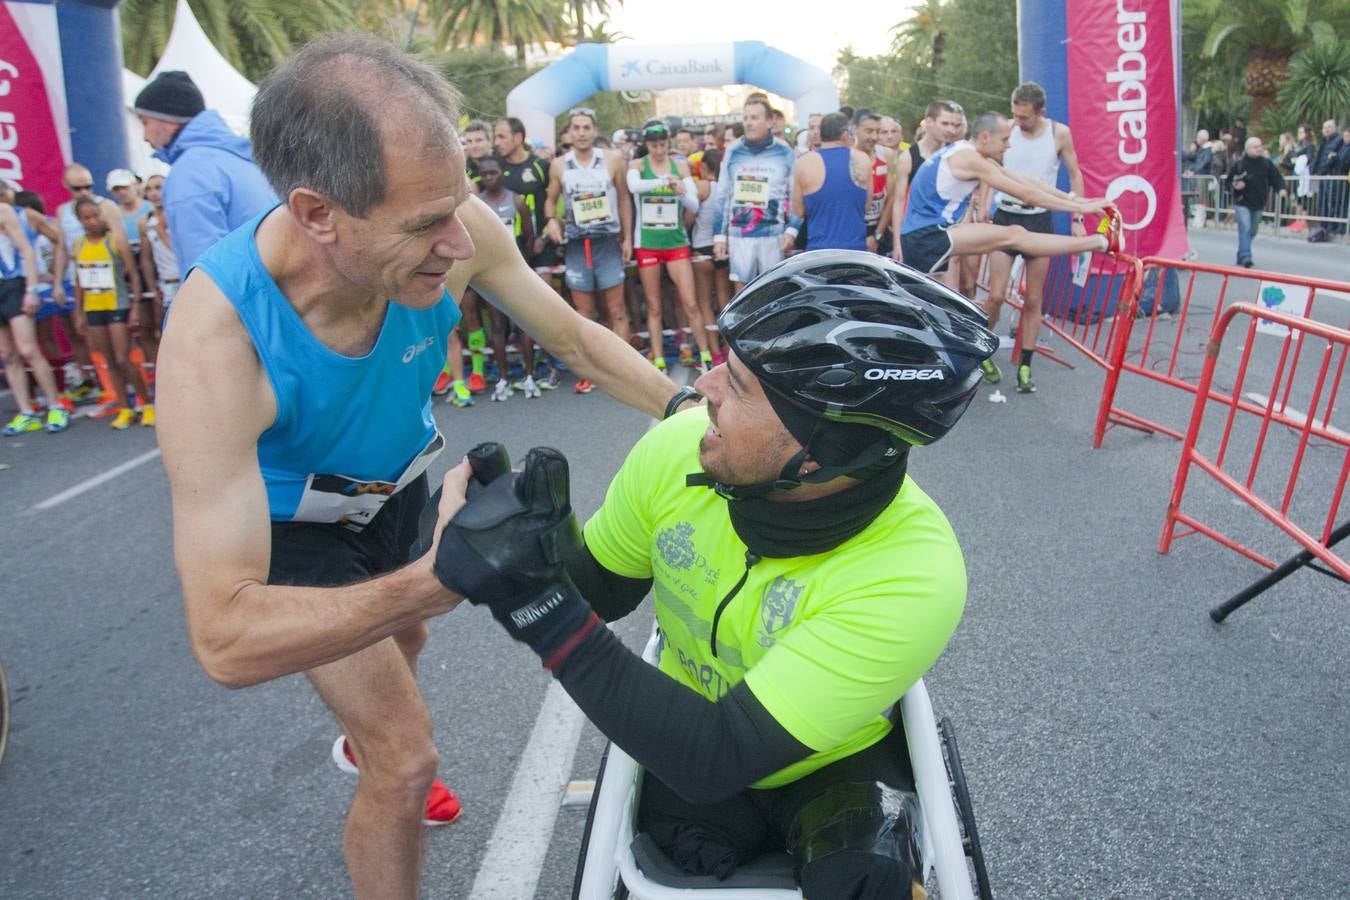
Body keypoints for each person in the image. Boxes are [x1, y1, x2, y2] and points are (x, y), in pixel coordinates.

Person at [154, 36, 685, 900]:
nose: (458, 244)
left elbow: (572, 336)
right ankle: (380, 754)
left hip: (397, 491)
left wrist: (688, 414)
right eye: (421, 226)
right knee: (405, 765)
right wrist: (437, 580)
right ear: (318, 213)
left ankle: (369, 725)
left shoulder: (453, 222)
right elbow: (224, 639)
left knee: (404, 641)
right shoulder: (220, 342)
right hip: (295, 533)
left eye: (460, 205)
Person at [428, 250, 1000, 899]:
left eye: (739, 385)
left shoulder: (913, 573)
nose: (702, 388)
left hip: (832, 768)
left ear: (822, 454)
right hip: (687, 741)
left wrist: (535, 603)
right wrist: (538, 548)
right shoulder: (679, 446)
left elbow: (715, 754)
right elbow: (605, 594)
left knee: (870, 879)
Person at [900, 112, 1120, 295]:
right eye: (1005, 140)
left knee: (949, 311)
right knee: (1014, 235)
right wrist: (1081, 209)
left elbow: (1027, 181)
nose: (1009, 146)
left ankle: (1101, 242)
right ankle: (1101, 242)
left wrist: (1079, 200)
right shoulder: (970, 159)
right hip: (926, 237)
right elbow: (1027, 195)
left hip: (928, 233)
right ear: (985, 137)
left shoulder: (968, 152)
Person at [983, 82, 1090, 393]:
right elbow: (988, 165)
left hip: (1038, 220)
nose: (1019, 122)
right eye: (1015, 115)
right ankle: (981, 351)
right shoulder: (1006, 130)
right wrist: (983, 202)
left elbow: (1075, 173)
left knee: (1033, 299)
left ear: (1041, 112)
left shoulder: (1059, 133)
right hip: (1006, 218)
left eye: (1025, 117)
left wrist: (1078, 217)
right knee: (996, 295)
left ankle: (1026, 368)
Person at [134, 70, 277, 273]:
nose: (144, 136)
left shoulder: (191, 172)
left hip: (238, 298)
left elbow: (206, 272)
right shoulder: (237, 159)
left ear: (169, 119)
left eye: (145, 122)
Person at [545, 107, 635, 392]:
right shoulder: (559, 165)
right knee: (583, 313)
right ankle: (592, 371)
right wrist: (550, 221)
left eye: (586, 127)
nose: (581, 132)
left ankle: (624, 369)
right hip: (576, 245)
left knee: (616, 309)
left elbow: (623, 199)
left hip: (607, 242)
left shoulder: (612, 160)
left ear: (594, 131)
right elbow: (550, 200)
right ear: (569, 133)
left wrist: (628, 238)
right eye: (576, 128)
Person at [627, 120, 711, 372]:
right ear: (647, 144)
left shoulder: (681, 165)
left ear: (668, 142)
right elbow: (633, 187)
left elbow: (694, 206)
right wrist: (664, 180)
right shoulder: (638, 165)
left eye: (663, 143)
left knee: (691, 302)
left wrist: (681, 190)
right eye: (654, 144)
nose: (659, 148)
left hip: (675, 242)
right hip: (648, 243)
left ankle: (705, 355)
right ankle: (659, 359)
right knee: (653, 306)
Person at [70, 198, 154, 429]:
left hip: (117, 305)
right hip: (93, 308)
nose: (92, 221)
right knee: (109, 362)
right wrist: (78, 312)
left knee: (123, 358)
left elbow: (133, 275)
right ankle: (124, 407)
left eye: (95, 215)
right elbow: (78, 281)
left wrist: (135, 305)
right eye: (87, 217)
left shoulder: (115, 241)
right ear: (79, 220)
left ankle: (146, 403)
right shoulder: (78, 245)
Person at [474, 155, 542, 400]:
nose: (489, 178)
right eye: (485, 174)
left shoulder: (517, 201)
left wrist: (520, 267)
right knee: (498, 327)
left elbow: (529, 236)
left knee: (523, 324)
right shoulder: (477, 204)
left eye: (493, 173)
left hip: (514, 274)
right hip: (488, 276)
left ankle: (529, 375)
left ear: (501, 172)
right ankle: (503, 378)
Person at [713, 98, 799, 289]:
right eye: (745, 118)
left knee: (773, 293)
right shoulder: (733, 150)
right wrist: (719, 236)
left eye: (754, 117)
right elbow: (722, 195)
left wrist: (792, 230)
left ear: (769, 122)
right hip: (740, 233)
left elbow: (795, 195)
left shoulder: (784, 151)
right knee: (743, 295)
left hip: (773, 234)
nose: (748, 123)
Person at [1, 198, 69, 434]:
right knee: (8, 355)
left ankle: (55, 405)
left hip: (12, 284)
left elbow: (26, 251)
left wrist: (31, 290)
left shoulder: (3, 211)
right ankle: (26, 411)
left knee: (29, 350)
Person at [889, 101, 965, 262]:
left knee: (957, 284)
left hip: (950, 231)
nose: (950, 130)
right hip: (918, 233)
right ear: (929, 122)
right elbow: (898, 202)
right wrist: (897, 243)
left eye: (955, 125)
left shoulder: (956, 153)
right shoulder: (909, 157)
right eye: (945, 123)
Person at [791, 112, 870, 252]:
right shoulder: (862, 159)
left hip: (819, 250)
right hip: (855, 250)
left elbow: (798, 211)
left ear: (821, 134)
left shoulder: (804, 163)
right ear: (845, 134)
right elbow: (867, 205)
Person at [1226, 136, 1286, 269]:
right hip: (1242, 202)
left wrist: (1281, 188)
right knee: (1245, 228)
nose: (1259, 149)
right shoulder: (1240, 164)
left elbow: (1275, 177)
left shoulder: (1266, 163)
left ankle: (1241, 253)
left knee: (1253, 230)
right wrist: (1235, 185)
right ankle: (1246, 256)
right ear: (1247, 149)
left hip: (1258, 202)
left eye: (1260, 146)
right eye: (1255, 147)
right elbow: (1228, 181)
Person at [138, 174, 181, 323]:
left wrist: (162, 232)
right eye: (149, 189)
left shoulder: (181, 214)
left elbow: (182, 252)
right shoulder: (145, 221)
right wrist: (152, 288)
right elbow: (147, 259)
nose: (154, 193)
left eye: (158, 187)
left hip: (185, 280)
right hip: (166, 284)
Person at [853, 111, 895, 254]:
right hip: (854, 229)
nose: (874, 137)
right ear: (855, 129)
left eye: (878, 131)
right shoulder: (848, 156)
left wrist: (877, 234)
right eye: (869, 131)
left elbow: (891, 198)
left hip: (878, 228)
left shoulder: (886, 154)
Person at [1309, 119, 1348, 241]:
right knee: (1322, 202)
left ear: (1335, 128)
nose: (1326, 129)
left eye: (1329, 127)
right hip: (1322, 176)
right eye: (1325, 127)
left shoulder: (1339, 140)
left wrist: (1323, 170)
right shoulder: (1324, 141)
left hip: (1332, 175)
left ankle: (1333, 226)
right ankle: (1323, 225)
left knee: (1334, 202)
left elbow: (1335, 158)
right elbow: (1320, 157)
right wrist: (1314, 171)